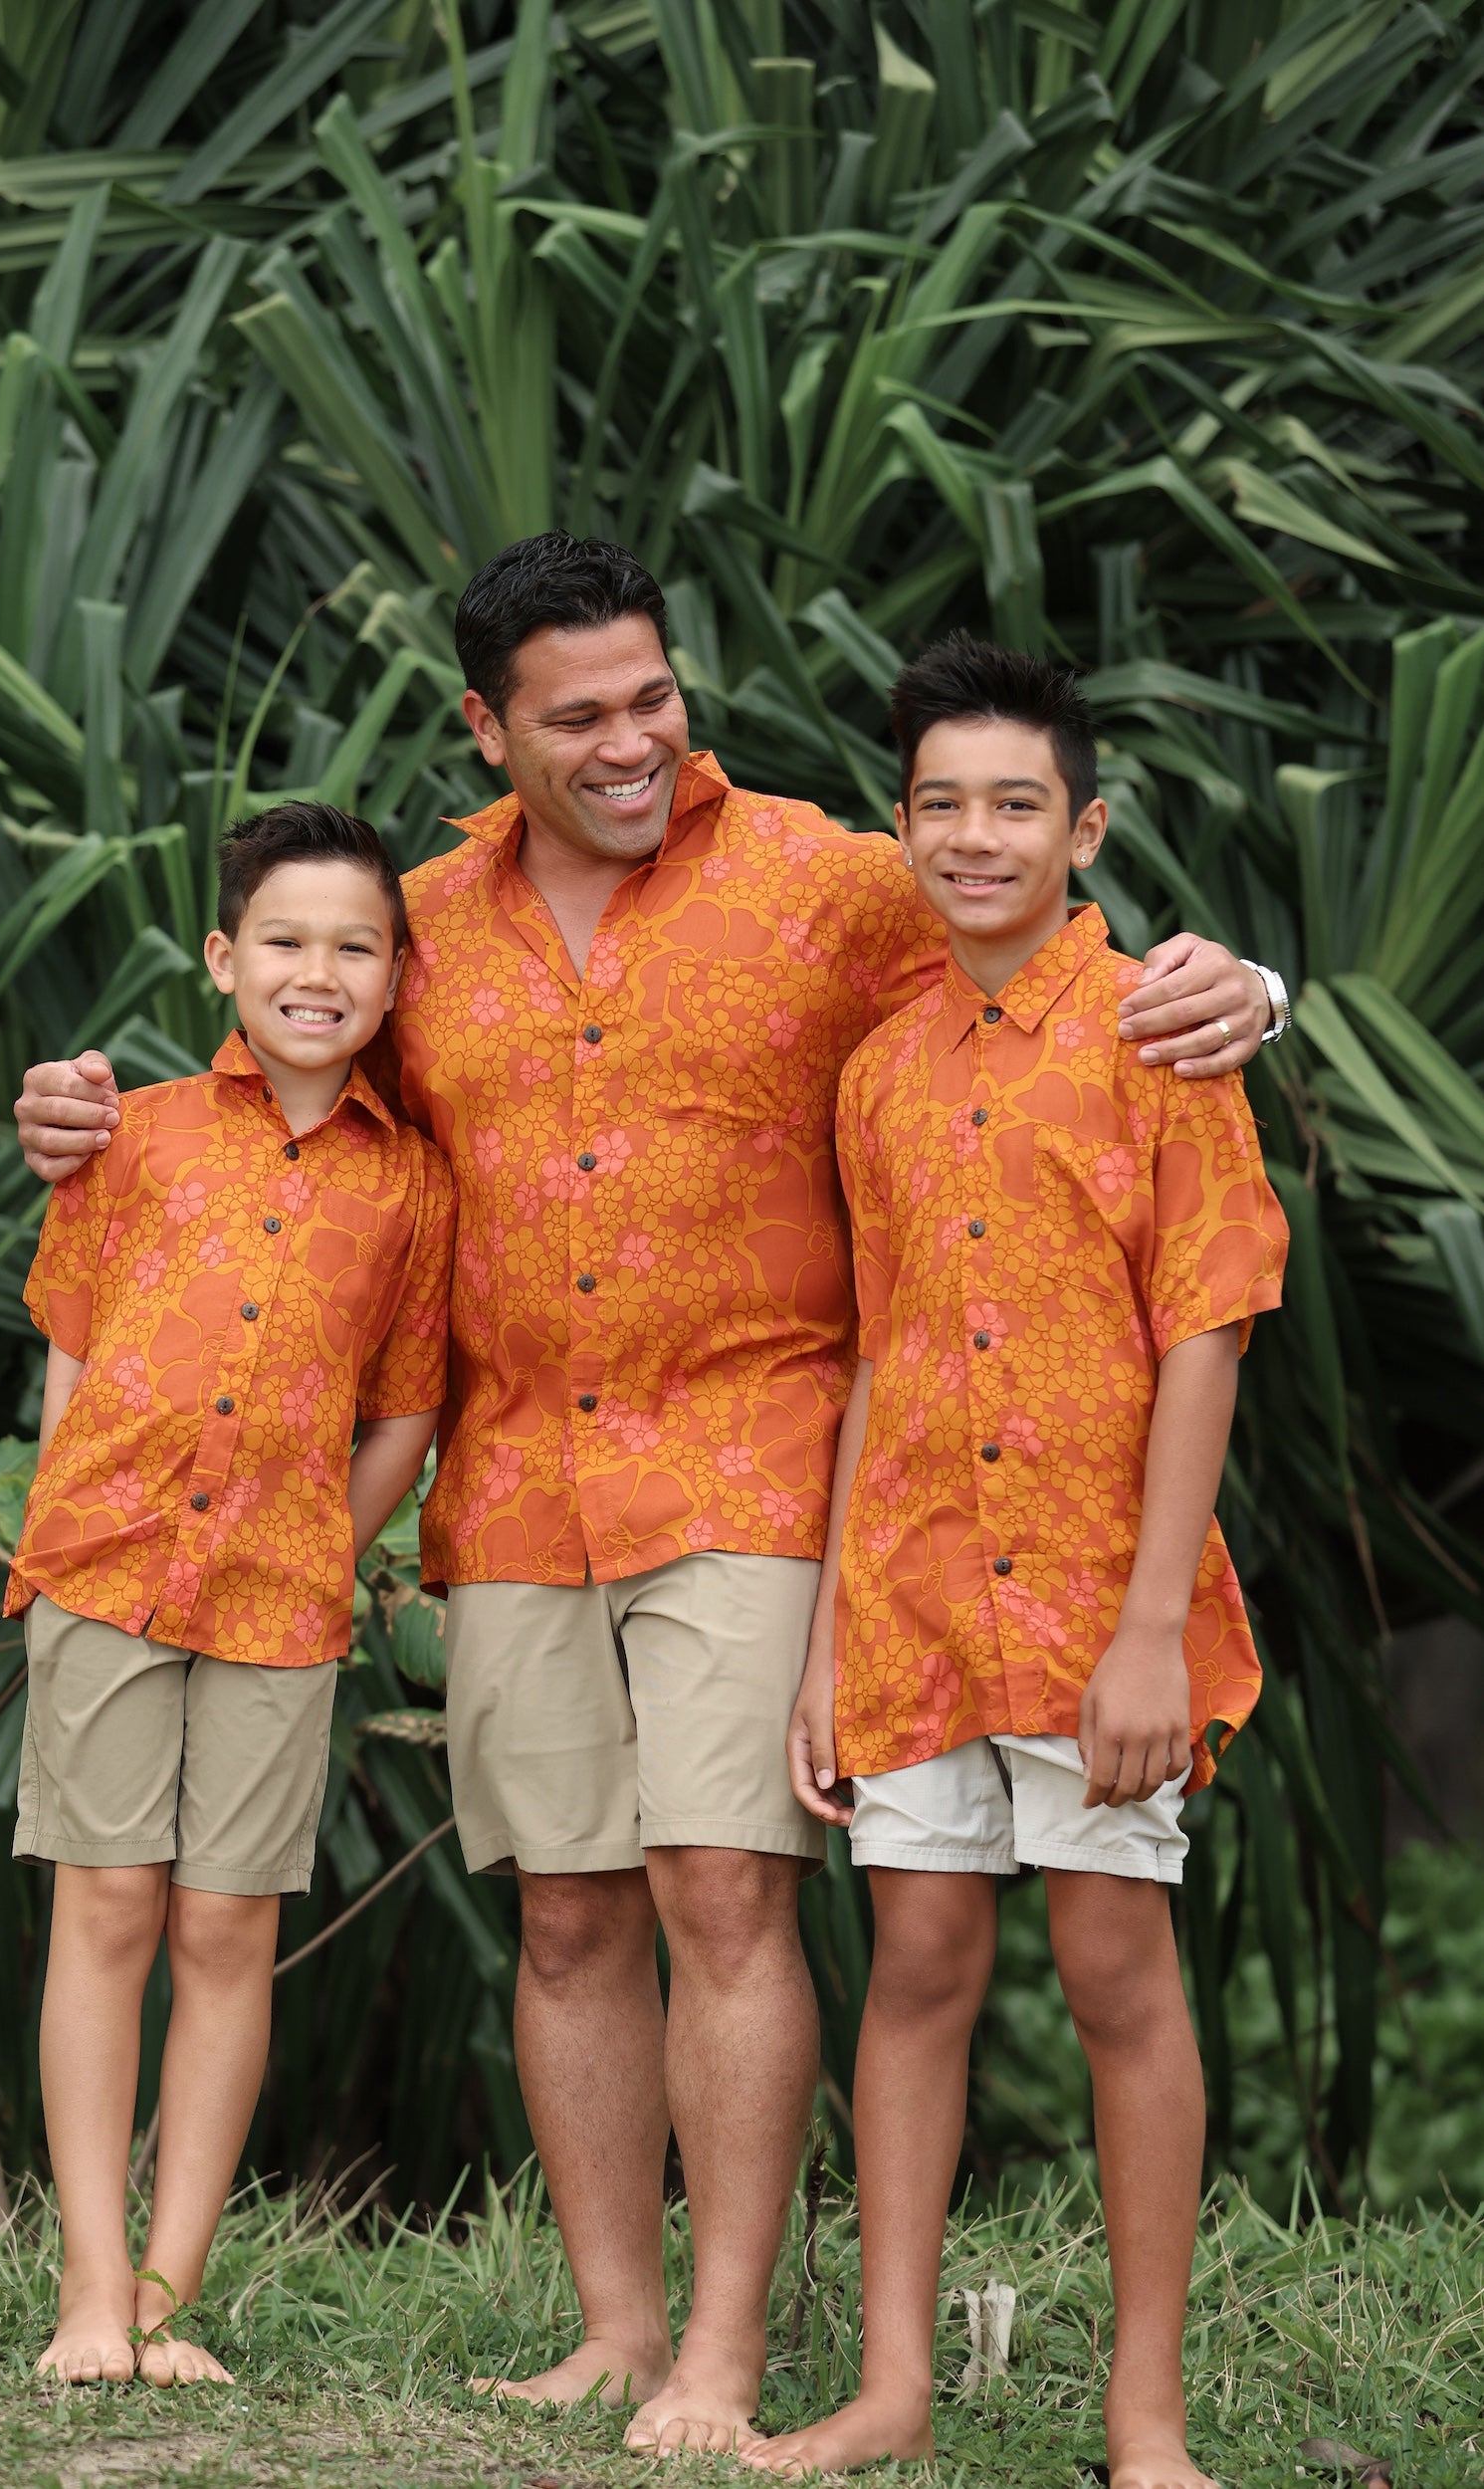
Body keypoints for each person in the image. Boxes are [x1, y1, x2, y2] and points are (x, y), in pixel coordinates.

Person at [12, 537, 1284, 2450]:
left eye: (652, 697)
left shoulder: (822, 883)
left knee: (719, 1893)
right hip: (516, 1474)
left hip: (758, 1459)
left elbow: (1029, 940)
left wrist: (1251, 978)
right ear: (487, 726)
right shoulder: (422, 920)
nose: (630, 741)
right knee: (569, 1919)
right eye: (579, 714)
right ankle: (617, 2328)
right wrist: (85, 1120)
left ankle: (722, 2356)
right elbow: (290, 1068)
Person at [746, 637, 1287, 2485]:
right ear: (902, 830)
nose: (976, 837)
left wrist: (1149, 1630)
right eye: (942, 805)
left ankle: (1148, 2422)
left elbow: (1207, 1328)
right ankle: (894, 2388)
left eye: (1016, 805)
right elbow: (882, 1359)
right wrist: (828, 1641)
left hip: (1092, 1604)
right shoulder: (880, 1071)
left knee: (1119, 1967)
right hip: (906, 1601)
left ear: (1086, 827)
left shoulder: (1155, 1035)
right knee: (916, 1968)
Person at [8, 802, 454, 2385]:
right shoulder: (130, 1136)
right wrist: (65, 1529)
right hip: (106, 1576)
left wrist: (327, 1545)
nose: (316, 972)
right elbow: (69, 1337)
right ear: (224, 957)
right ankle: (87, 2291)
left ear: (398, 976)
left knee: (223, 1930)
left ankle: (169, 2298)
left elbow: (405, 1405)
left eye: (354, 947)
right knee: (109, 1907)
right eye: (285, 940)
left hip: (279, 1599)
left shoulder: (411, 1188)